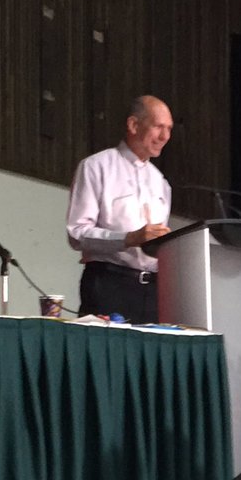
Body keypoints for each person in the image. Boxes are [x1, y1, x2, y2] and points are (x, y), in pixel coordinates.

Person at [66, 95, 173, 323]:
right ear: (134, 125)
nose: (165, 137)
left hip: (152, 290)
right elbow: (77, 233)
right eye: (158, 127)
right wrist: (128, 238)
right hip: (109, 284)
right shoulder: (97, 167)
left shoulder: (161, 182)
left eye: (169, 129)